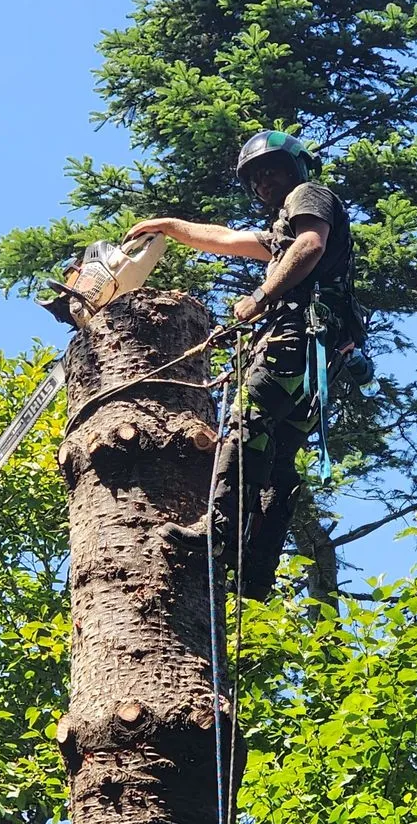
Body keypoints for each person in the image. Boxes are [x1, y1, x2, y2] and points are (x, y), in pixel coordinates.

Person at [125, 130, 356, 600]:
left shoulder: (308, 197)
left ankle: (217, 531)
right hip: (314, 359)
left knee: (247, 420)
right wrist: (170, 225)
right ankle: (256, 571)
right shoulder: (279, 232)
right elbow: (227, 239)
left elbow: (309, 245)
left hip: (296, 340)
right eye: (254, 178)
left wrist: (261, 296)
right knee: (277, 460)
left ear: (295, 170)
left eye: (270, 170)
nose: (263, 182)